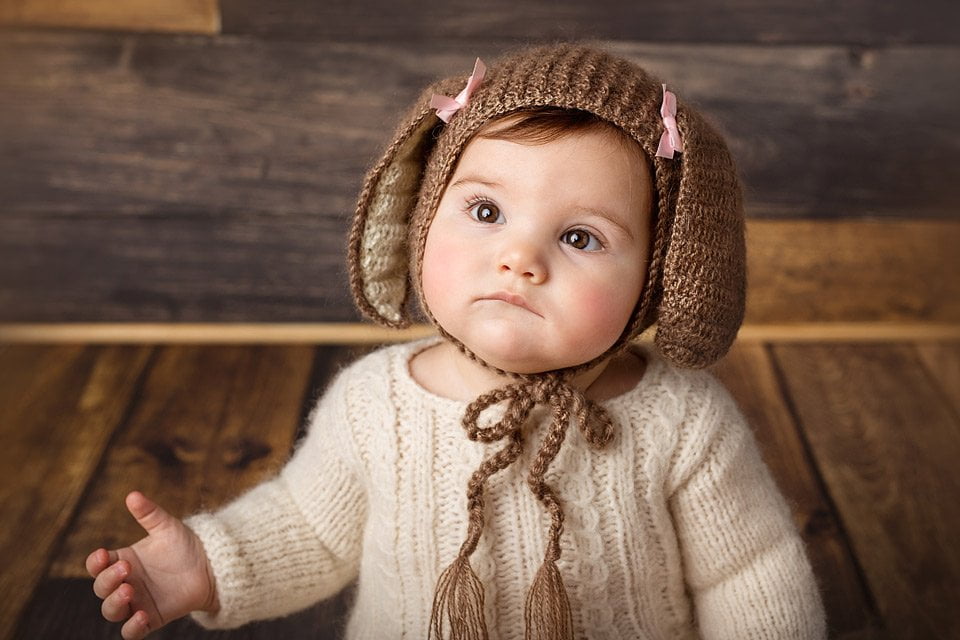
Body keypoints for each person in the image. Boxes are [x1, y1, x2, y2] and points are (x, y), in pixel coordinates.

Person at [87, 44, 827, 639]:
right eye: (485, 211)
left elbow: (750, 570)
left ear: (659, 277)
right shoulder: (374, 402)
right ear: (423, 212)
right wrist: (209, 564)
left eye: (580, 236)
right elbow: (309, 530)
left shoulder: (683, 421)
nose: (520, 258)